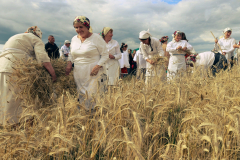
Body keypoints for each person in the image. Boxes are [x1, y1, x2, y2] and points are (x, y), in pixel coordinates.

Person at [0, 26, 56, 125]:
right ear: (38, 35)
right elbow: (42, 58)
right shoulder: (35, 39)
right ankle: (15, 125)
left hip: (2, 65)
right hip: (17, 69)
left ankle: (3, 122)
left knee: (4, 95)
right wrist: (53, 74)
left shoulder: (15, 36)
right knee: (16, 98)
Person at [65, 16, 109, 110]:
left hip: (92, 72)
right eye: (76, 27)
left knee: (91, 95)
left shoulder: (96, 38)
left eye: (81, 27)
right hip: (78, 72)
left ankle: (93, 117)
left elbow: (105, 54)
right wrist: (69, 64)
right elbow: (71, 54)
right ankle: (83, 117)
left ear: (87, 27)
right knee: (81, 95)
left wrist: (98, 66)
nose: (78, 30)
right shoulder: (74, 39)